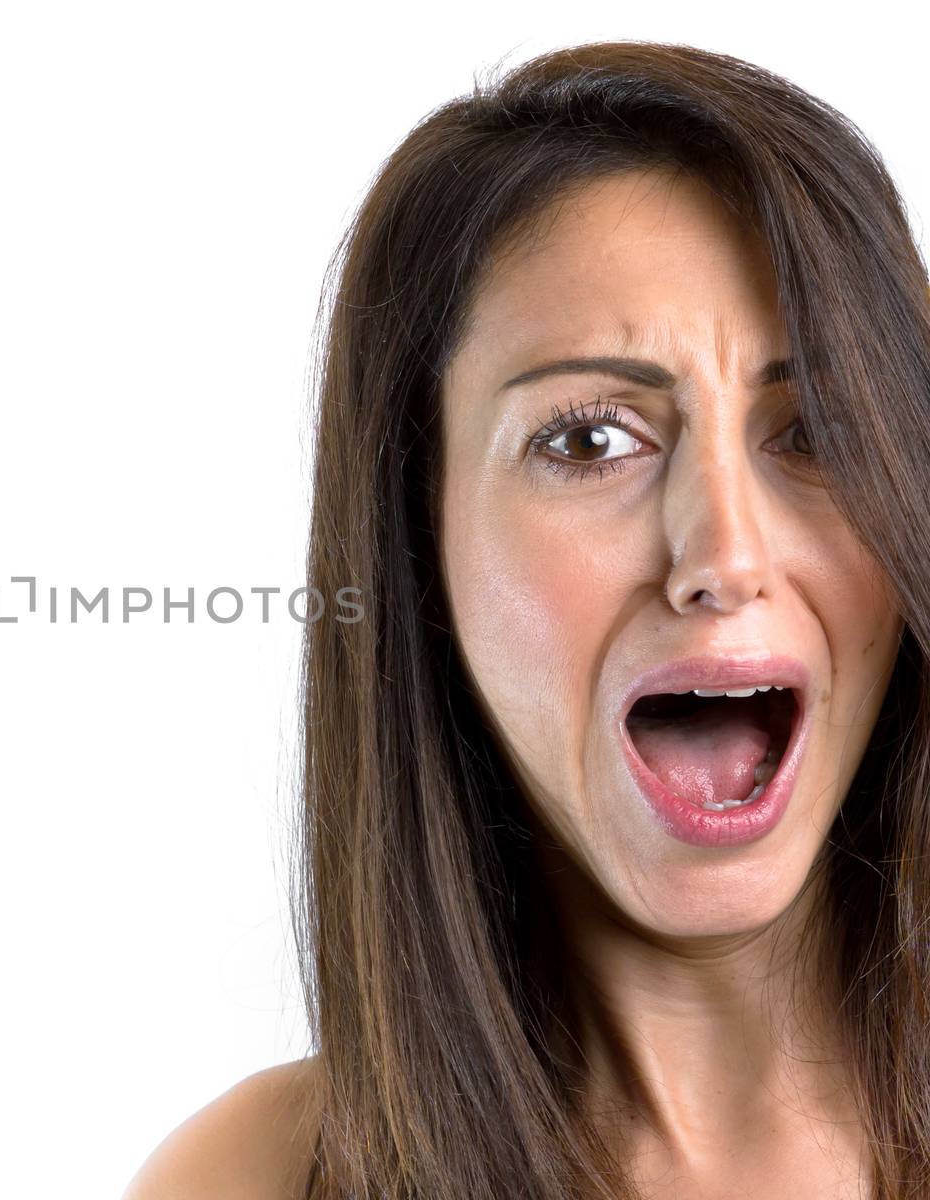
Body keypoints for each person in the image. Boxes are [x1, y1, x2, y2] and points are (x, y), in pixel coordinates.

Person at [124, 39, 930, 1200]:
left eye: (815, 430)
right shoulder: (253, 1179)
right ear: (417, 536)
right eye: (589, 439)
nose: (724, 558)